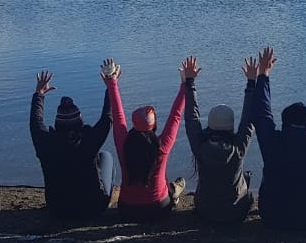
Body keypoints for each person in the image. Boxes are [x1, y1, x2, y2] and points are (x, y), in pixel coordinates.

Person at [249, 45, 306, 230]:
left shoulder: (272, 140)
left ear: (284, 123)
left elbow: (262, 113)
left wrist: (263, 76)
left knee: (269, 170)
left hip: (271, 214)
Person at [102, 56, 187, 222]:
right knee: (168, 186)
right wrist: (186, 84)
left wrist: (112, 82)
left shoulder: (124, 143)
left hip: (127, 209)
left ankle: (173, 189)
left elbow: (118, 116)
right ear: (153, 124)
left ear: (134, 123)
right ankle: (174, 191)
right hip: (159, 209)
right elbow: (175, 116)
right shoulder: (162, 145)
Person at [28, 68, 116, 221]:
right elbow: (107, 119)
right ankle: (105, 195)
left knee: (98, 157)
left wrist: (39, 94)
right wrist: (111, 87)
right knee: (106, 156)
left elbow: (35, 122)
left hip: (57, 210)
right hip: (93, 208)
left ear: (57, 123)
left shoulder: (45, 141)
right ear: (80, 121)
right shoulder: (88, 140)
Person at [182, 55, 255, 224]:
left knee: (244, 177)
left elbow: (191, 119)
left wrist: (190, 82)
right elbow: (249, 120)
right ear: (231, 127)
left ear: (210, 125)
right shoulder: (238, 148)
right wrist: (252, 83)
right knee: (246, 180)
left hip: (205, 212)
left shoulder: (200, 145)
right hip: (235, 213)